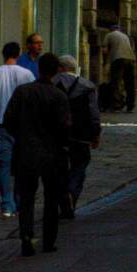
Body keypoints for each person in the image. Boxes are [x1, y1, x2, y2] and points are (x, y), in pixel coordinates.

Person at [2, 53, 72, 257]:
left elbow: (8, 121)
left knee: (26, 198)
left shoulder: (23, 92)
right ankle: (49, 240)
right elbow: (65, 127)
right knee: (51, 197)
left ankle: (26, 236)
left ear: (39, 68)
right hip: (52, 153)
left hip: (26, 151)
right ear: (57, 70)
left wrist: (21, 136)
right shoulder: (59, 96)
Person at [0, 42, 35, 218]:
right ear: (18, 54)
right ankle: (19, 200)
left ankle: (7, 204)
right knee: (21, 164)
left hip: (2, 123)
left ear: (3, 54)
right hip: (23, 125)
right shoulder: (26, 74)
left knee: (3, 166)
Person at [53, 56, 101, 215]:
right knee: (79, 166)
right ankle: (72, 193)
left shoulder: (52, 84)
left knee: (58, 169)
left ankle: (64, 198)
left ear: (60, 68)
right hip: (81, 134)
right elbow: (94, 113)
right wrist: (96, 134)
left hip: (57, 134)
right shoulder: (87, 86)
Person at [102, 23, 137, 114]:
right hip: (130, 59)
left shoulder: (109, 35)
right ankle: (130, 105)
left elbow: (104, 50)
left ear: (110, 29)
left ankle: (117, 104)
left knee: (115, 82)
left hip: (118, 59)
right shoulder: (125, 36)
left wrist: (105, 62)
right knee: (130, 83)